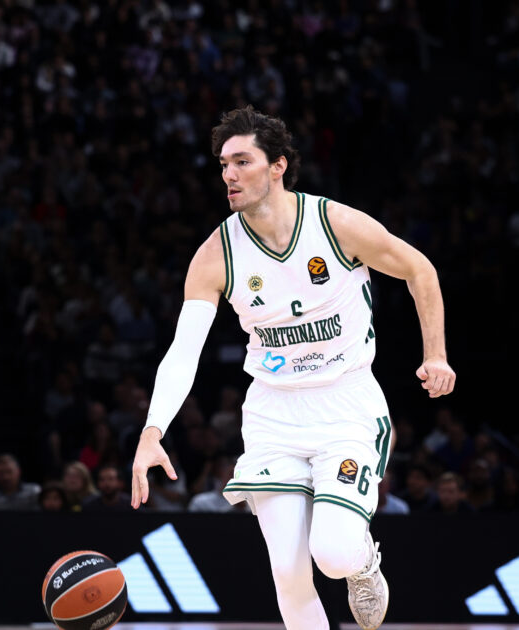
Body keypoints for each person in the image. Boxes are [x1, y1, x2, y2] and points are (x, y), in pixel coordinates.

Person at [131, 106, 455, 630]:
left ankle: (361, 562)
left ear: (278, 165)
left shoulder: (335, 224)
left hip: (344, 404)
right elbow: (183, 350)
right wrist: (153, 430)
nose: (229, 174)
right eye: (223, 164)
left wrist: (435, 354)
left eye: (242, 161)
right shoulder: (216, 254)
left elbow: (420, 269)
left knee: (332, 553)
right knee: (287, 570)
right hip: (273, 414)